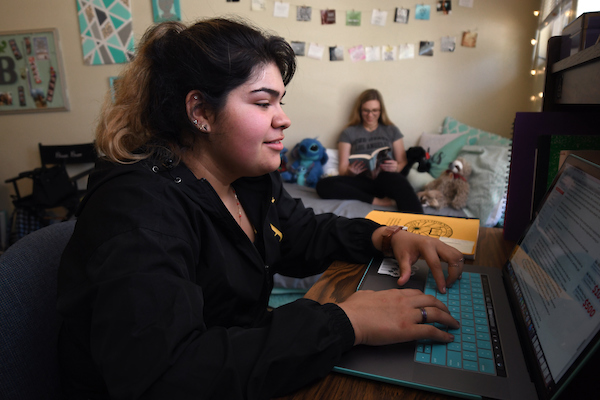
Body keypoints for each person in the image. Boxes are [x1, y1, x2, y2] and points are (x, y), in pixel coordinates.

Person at [57, 18, 464, 400]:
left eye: (280, 102)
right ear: (200, 112)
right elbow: (166, 375)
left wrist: (385, 236)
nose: (284, 120)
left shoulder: (248, 180)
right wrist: (345, 322)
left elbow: (300, 232)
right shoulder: (138, 210)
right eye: (263, 103)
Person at [316, 89, 424, 213]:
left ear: (381, 111)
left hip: (386, 179)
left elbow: (402, 162)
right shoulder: (348, 132)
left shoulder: (391, 130)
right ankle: (375, 200)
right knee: (323, 185)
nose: (370, 115)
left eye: (374, 110)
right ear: (360, 110)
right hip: (361, 182)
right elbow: (342, 169)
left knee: (399, 181)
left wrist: (396, 168)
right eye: (366, 110)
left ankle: (418, 223)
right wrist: (350, 172)